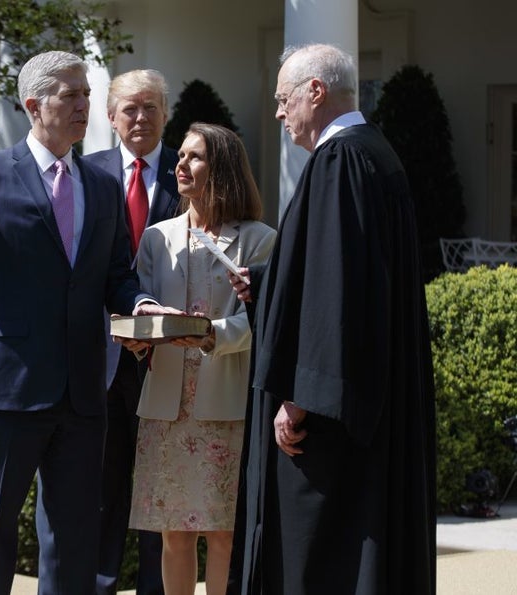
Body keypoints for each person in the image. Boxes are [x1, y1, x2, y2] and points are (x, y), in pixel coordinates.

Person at [0, 51, 173, 595]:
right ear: (34, 105)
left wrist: (142, 304)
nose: (85, 105)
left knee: (74, 541)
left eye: (86, 94)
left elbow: (117, 275)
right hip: (8, 386)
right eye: (71, 95)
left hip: (83, 392)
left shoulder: (101, 185)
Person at [226, 43, 436, 594]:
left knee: (319, 563)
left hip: (330, 426)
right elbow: (356, 277)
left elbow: (336, 293)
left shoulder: (339, 161)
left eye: (282, 99)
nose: (278, 113)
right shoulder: (376, 154)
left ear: (314, 92)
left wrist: (299, 400)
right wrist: (269, 286)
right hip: (370, 402)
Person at [120, 122, 277, 595]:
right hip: (166, 408)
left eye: (194, 157)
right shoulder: (156, 238)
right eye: (180, 156)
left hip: (225, 406)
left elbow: (268, 323)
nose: (180, 165)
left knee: (224, 533)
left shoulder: (260, 239)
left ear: (222, 167)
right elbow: (141, 305)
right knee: (174, 533)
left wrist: (213, 335)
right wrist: (138, 337)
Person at [84, 68, 180, 595]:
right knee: (103, 484)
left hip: (168, 359)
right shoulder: (85, 173)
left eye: (151, 107)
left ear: (166, 113)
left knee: (159, 488)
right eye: (130, 109)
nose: (140, 117)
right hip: (100, 357)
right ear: (111, 117)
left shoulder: (191, 176)